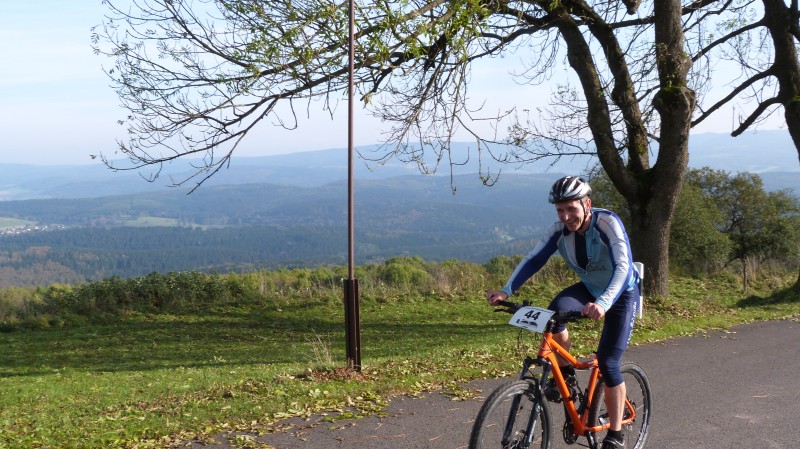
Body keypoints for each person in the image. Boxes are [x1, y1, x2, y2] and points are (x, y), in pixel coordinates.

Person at [486, 176, 640, 449]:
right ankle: (566, 373)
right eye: (560, 210)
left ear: (587, 204)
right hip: (590, 288)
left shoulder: (608, 223)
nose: (566, 217)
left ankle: (616, 435)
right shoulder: (559, 230)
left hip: (621, 294)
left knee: (608, 363)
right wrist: (506, 291)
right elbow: (534, 259)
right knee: (554, 314)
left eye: (571, 209)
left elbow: (623, 267)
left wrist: (603, 303)